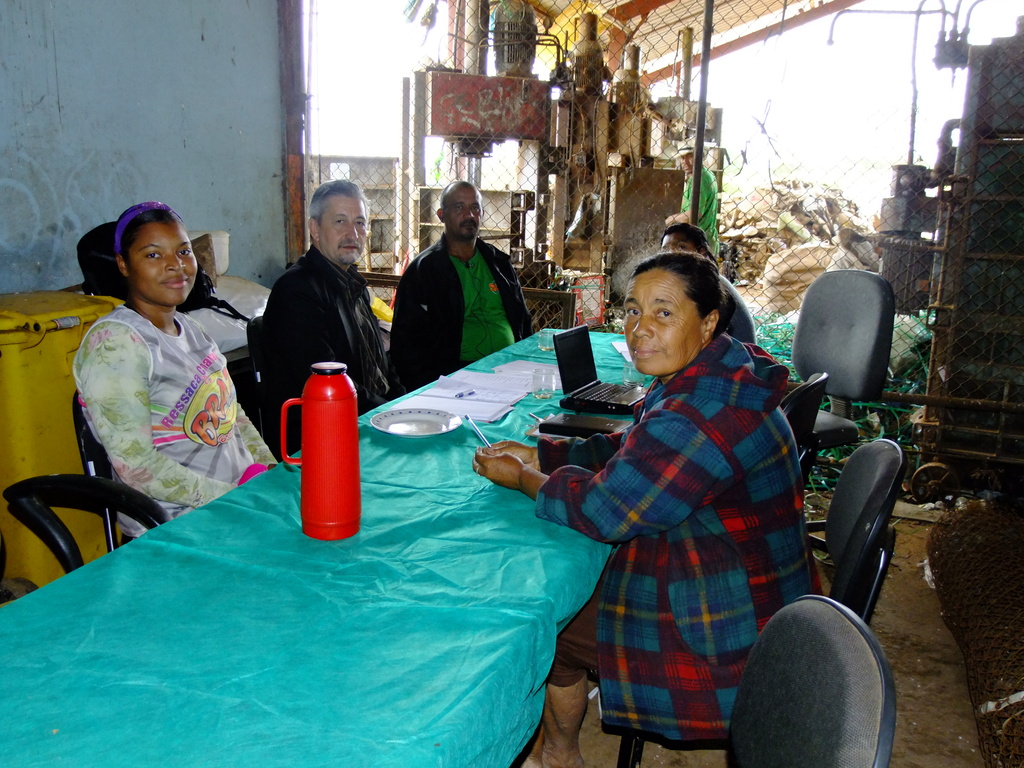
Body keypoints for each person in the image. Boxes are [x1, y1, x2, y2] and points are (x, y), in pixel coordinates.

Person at [472, 251, 817, 767]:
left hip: (728, 619)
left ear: (708, 322)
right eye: (633, 310)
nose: (640, 329)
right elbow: (639, 449)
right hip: (754, 583)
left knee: (550, 620)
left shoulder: (702, 412)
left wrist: (524, 478)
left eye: (663, 312)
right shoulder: (720, 371)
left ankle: (559, 755)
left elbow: (604, 510)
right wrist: (545, 453)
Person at [73, 202, 274, 538]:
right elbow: (137, 465)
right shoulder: (117, 344)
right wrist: (232, 499)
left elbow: (232, 415)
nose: (175, 265)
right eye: (153, 255)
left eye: (183, 251)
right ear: (123, 264)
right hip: (177, 527)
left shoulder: (192, 329)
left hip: (237, 501)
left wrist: (270, 470)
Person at [262, 180, 405, 457]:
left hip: (369, 421)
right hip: (324, 440)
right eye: (340, 221)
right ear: (315, 229)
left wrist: (402, 404)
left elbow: (382, 365)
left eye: (360, 223)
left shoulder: (353, 284)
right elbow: (328, 384)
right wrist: (388, 414)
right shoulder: (297, 291)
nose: (353, 233)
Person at [390, 181, 532, 390]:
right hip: (454, 375)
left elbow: (523, 319)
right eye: (459, 207)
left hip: (511, 367)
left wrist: (527, 360)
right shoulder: (424, 270)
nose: (469, 215)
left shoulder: (499, 263)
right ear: (441, 215)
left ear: (482, 213)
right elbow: (404, 339)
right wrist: (428, 387)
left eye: (475, 207)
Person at [665, 146, 720, 257]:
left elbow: (695, 213)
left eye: (690, 157)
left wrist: (671, 219)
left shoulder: (700, 178)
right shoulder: (703, 175)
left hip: (700, 243)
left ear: (700, 157)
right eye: (682, 158)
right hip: (702, 239)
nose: (685, 162)